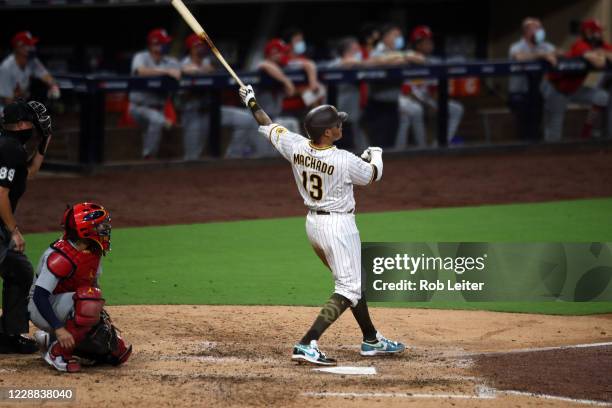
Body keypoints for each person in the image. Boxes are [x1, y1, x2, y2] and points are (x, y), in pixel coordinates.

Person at [238, 84, 406, 365]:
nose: (341, 124)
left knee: (352, 280)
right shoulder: (343, 159)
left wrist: (252, 102)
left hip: (314, 226)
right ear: (327, 132)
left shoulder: (295, 145)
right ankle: (307, 343)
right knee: (348, 287)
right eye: (336, 123)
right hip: (338, 228)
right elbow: (373, 175)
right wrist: (375, 153)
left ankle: (371, 339)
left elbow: (267, 124)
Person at [28, 203, 132, 373]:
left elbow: (92, 288)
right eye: (100, 225)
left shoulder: (92, 252)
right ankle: (58, 353)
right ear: (85, 229)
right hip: (41, 308)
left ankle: (49, 340)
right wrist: (59, 329)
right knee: (87, 302)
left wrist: (98, 319)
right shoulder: (60, 257)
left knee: (114, 352)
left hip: (67, 305)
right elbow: (40, 296)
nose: (105, 229)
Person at [0, 100, 51, 354]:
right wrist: (14, 231)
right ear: (21, 125)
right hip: (2, 228)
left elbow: (28, 173)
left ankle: (8, 335)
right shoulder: (9, 149)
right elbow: (0, 195)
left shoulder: (12, 146)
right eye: (32, 121)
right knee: (18, 269)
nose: (35, 124)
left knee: (19, 271)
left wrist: (45, 140)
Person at [179, 34, 261, 159]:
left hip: (212, 111)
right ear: (191, 48)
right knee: (191, 157)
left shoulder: (206, 62)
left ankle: (233, 156)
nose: (201, 48)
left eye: (202, 45)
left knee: (246, 120)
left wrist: (208, 70)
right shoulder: (184, 63)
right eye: (198, 45)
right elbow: (188, 71)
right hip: (193, 114)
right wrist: (204, 71)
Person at [543, 19, 612, 140]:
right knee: (555, 128)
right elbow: (599, 63)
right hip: (557, 88)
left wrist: (603, 52)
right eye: (597, 31)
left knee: (602, 97)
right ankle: (549, 154)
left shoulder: (599, 45)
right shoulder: (580, 44)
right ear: (588, 32)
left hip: (574, 88)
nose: (600, 34)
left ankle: (589, 131)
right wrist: (603, 54)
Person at [396, 25, 464, 149]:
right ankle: (421, 148)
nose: (430, 44)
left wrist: (437, 104)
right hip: (409, 99)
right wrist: (428, 105)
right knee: (417, 110)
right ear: (417, 44)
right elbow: (406, 90)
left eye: (430, 41)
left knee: (456, 109)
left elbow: (433, 89)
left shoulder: (431, 61)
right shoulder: (408, 59)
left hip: (425, 99)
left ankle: (441, 144)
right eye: (426, 42)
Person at [129, 28, 181, 159]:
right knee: (157, 120)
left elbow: (178, 72)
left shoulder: (170, 60)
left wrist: (171, 70)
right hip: (139, 107)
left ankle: (148, 162)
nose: (165, 46)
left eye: (165, 43)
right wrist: (165, 72)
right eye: (162, 43)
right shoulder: (141, 57)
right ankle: (148, 156)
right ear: (153, 45)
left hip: (159, 108)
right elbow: (140, 71)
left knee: (154, 124)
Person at [508, 18, 558, 141]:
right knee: (524, 122)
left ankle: (537, 147)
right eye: (536, 28)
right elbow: (519, 57)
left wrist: (553, 54)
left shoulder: (545, 46)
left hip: (538, 92)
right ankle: (522, 147)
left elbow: (558, 52)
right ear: (526, 31)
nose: (540, 31)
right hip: (519, 92)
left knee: (538, 120)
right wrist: (542, 55)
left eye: (540, 27)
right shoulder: (516, 46)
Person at [0, 31, 61, 109]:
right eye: (28, 45)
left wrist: (53, 86)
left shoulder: (32, 61)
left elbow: (45, 76)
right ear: (19, 47)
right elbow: (7, 101)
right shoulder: (6, 68)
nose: (32, 47)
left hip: (19, 105)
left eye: (31, 44)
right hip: (4, 110)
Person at [328, 37, 369, 151]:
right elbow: (343, 63)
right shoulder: (335, 63)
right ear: (347, 51)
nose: (359, 52)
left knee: (357, 139)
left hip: (354, 111)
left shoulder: (358, 65)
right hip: (338, 114)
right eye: (356, 49)